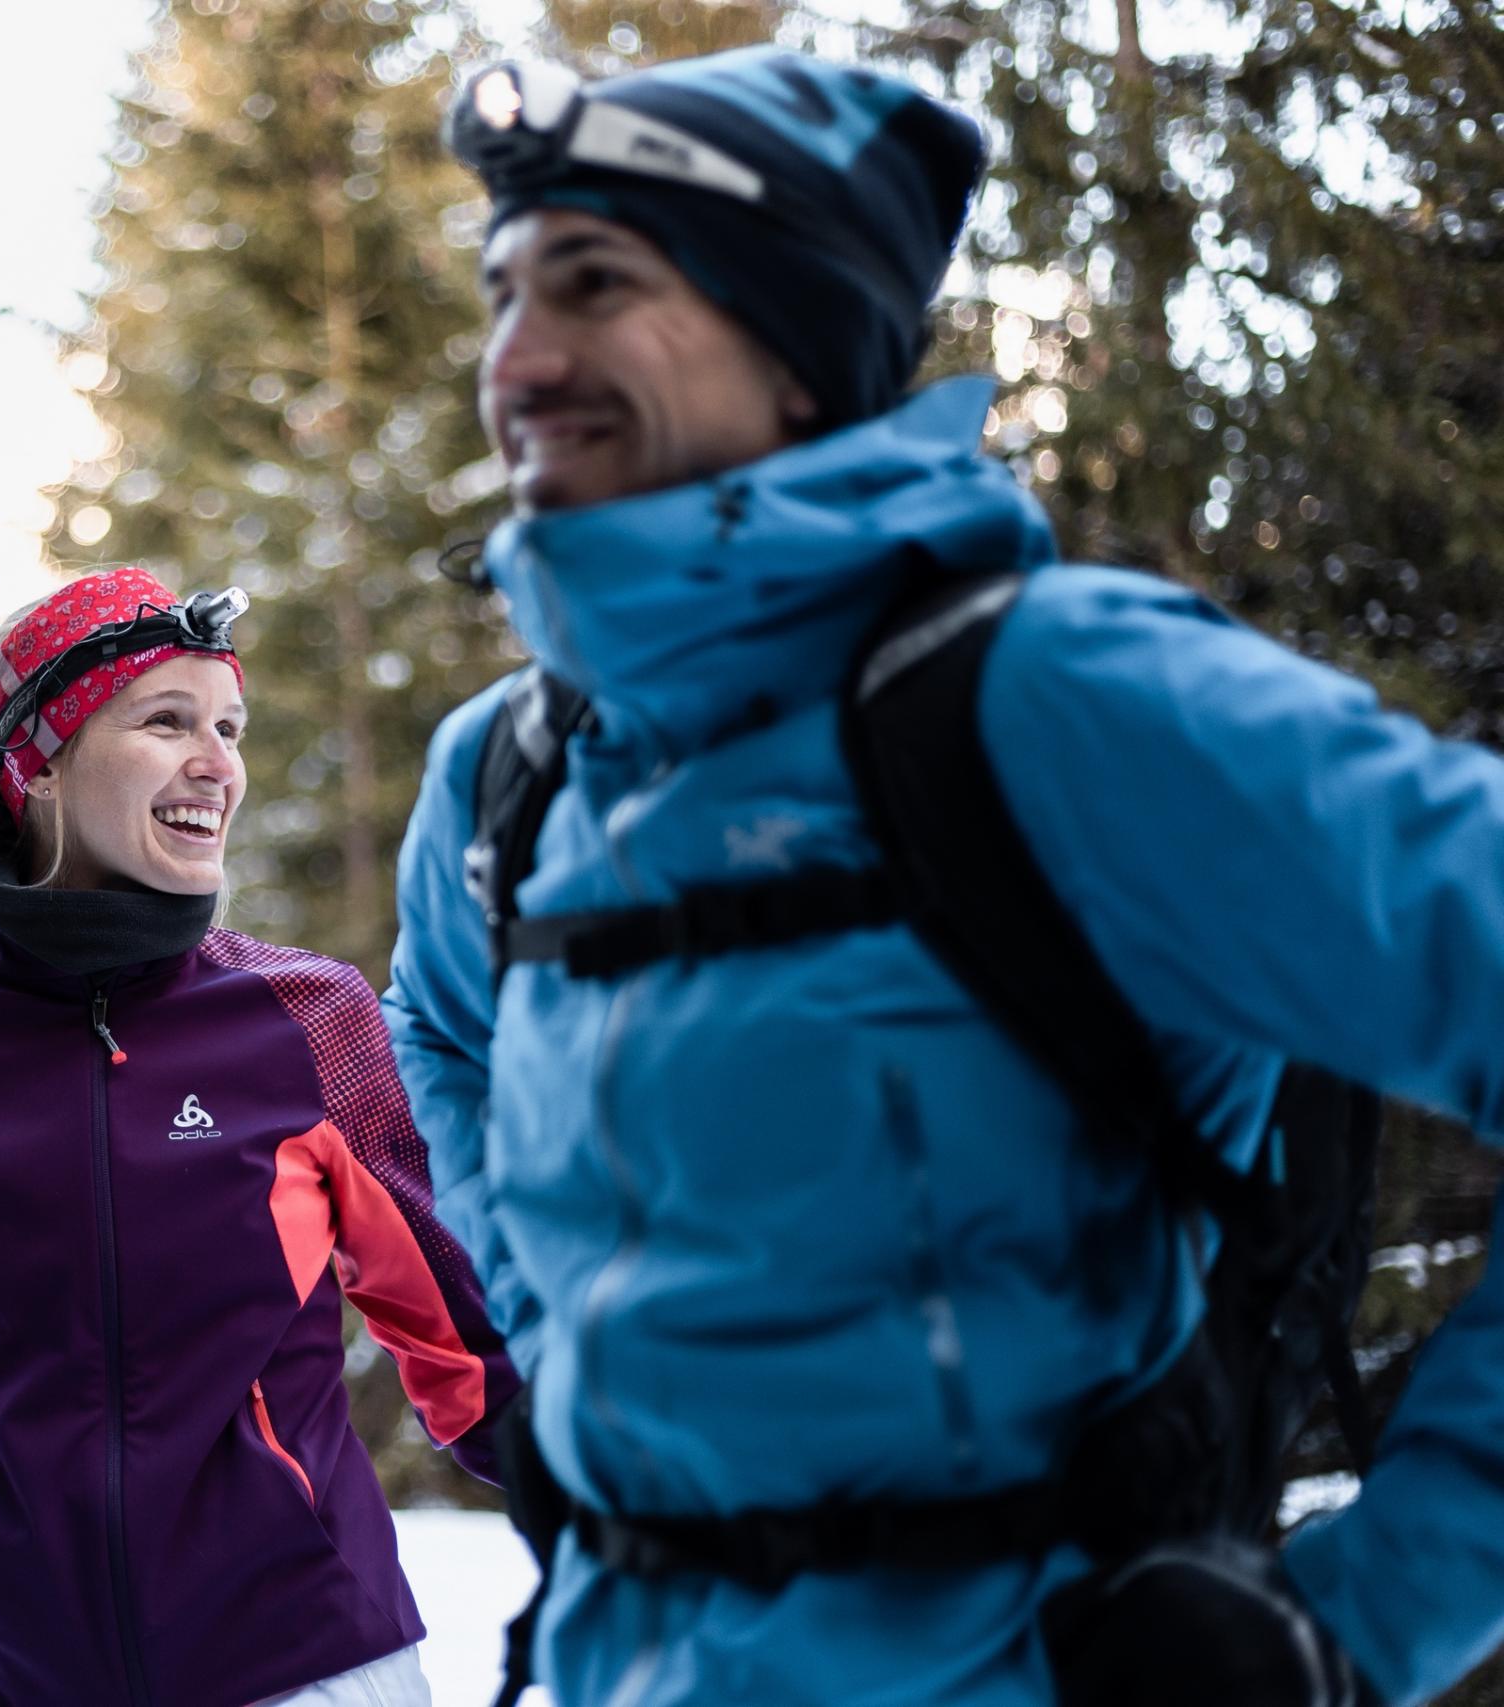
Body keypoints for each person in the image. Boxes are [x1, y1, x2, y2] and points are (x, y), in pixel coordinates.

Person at [386, 45, 1504, 1707]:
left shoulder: (1060, 702)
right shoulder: (514, 773)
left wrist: (1365, 1612)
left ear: (793, 332)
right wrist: (566, 1359)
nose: (517, 360)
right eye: (503, 292)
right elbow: (445, 1032)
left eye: (594, 282)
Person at [0, 567, 520, 1707]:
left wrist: (608, 1502)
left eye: (229, 727)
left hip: (308, 1662)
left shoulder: (307, 1018)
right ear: (35, 766)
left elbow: (459, 1343)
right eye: (167, 720)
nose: (217, 763)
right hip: (13, 1673)